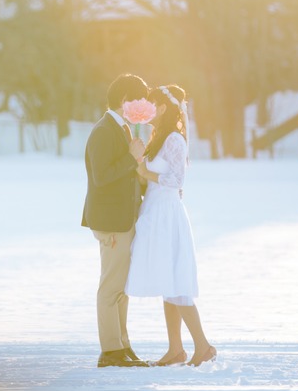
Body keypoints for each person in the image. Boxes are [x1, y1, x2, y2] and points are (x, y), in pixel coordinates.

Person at [124, 84, 217, 367]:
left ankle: (203, 346)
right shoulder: (158, 136)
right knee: (167, 281)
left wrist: (143, 171)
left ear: (163, 107)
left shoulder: (175, 139)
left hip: (167, 215)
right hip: (155, 211)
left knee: (176, 283)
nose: (149, 110)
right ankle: (175, 349)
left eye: (153, 104)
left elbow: (177, 180)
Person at [82, 73, 150, 368]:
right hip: (111, 221)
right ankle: (110, 351)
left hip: (123, 218)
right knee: (111, 288)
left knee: (122, 289)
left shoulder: (120, 128)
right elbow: (102, 177)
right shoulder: (103, 130)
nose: (143, 106)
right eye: (138, 99)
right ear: (124, 101)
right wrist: (132, 158)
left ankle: (122, 345)